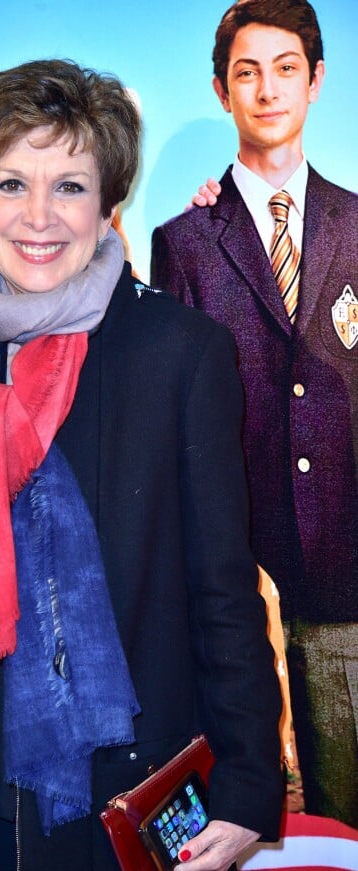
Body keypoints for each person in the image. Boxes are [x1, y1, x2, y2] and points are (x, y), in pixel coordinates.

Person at [0, 59, 283, 871]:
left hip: (129, 798)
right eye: (12, 184)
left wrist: (251, 782)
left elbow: (223, 586)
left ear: (108, 204)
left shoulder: (181, 354)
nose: (38, 217)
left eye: (70, 186)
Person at [151, 0, 357, 827]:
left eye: (284, 69)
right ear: (220, 90)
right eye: (246, 72)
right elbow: (173, 414)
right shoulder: (185, 240)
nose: (266, 89)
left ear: (315, 82)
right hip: (236, 563)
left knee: (346, 805)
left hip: (344, 563)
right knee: (248, 809)